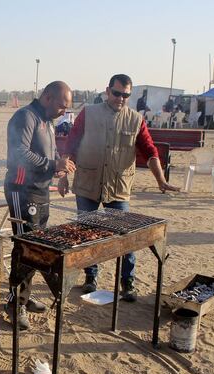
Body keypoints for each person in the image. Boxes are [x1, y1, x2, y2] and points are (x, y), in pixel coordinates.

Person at [58, 74, 179, 301]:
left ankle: (128, 283)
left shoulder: (135, 119)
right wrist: (63, 175)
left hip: (118, 187)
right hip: (88, 184)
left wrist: (161, 180)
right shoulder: (89, 113)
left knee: (126, 237)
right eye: (117, 93)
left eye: (126, 95)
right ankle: (90, 277)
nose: (121, 98)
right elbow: (71, 144)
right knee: (86, 234)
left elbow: (150, 152)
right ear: (107, 91)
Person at [4, 81, 74, 330]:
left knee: (37, 246)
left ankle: (23, 296)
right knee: (25, 248)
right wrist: (52, 165)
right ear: (47, 97)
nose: (63, 112)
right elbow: (19, 152)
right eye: (61, 106)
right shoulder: (26, 117)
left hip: (41, 192)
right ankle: (14, 304)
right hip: (21, 190)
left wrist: (61, 171)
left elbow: (51, 155)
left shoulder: (48, 121)